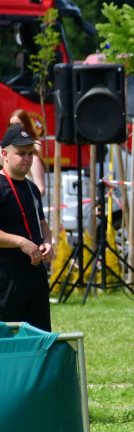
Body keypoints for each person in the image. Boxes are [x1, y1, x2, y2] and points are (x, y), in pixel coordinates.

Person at [0, 125, 53, 331]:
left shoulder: (32, 187)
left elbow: (42, 223)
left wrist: (48, 242)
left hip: (35, 273)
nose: (27, 159)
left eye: (30, 154)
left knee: (40, 336)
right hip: (7, 274)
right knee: (7, 338)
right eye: (21, 154)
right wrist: (21, 242)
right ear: (4, 153)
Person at [8, 110, 45, 197]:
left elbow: (41, 189)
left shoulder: (35, 149)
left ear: (26, 125)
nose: (14, 128)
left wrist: (23, 199)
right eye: (11, 125)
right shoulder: (7, 148)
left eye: (18, 124)